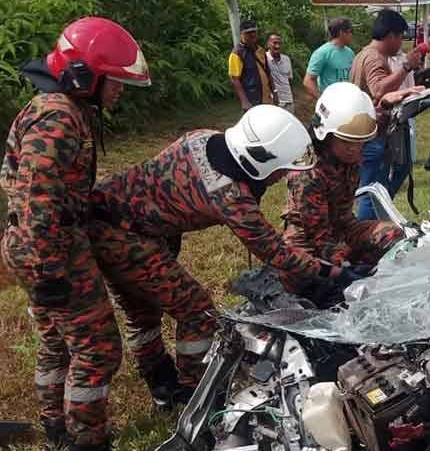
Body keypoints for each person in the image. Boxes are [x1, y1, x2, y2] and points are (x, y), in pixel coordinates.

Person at [89, 106, 355, 410]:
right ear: (260, 160)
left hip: (116, 217)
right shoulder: (230, 195)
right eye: (281, 168)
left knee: (143, 311)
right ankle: (195, 392)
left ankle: (160, 380)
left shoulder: (203, 138)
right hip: (124, 235)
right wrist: (331, 272)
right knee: (196, 311)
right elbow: (274, 250)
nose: (283, 175)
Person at [1, 17, 150, 451]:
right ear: (85, 76)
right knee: (98, 348)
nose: (119, 91)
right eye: (115, 82)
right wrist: (49, 268)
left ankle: (57, 430)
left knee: (55, 342)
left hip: (36, 244)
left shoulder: (58, 107)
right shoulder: (59, 118)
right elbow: (37, 198)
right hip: (51, 248)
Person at [283, 84, 404, 268]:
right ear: (327, 136)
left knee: (392, 235)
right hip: (307, 240)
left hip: (344, 228)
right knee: (307, 272)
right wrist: (345, 264)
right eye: (347, 142)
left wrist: (384, 105)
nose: (355, 149)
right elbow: (319, 236)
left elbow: (371, 123)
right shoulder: (307, 173)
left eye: (360, 142)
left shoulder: (347, 145)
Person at [349, 9, 426, 220]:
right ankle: (368, 230)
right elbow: (378, 90)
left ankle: (382, 215)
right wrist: (406, 66)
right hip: (373, 134)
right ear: (390, 35)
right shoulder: (374, 58)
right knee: (372, 191)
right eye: (400, 37)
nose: (401, 43)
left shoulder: (363, 54)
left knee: (382, 184)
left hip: (368, 132)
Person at [304, 17, 355, 99]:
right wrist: (322, 100)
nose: (352, 35)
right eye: (351, 31)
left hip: (348, 101)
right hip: (330, 102)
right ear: (341, 32)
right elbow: (308, 81)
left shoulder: (350, 53)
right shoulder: (322, 52)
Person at [228, 19, 272, 111]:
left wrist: (274, 92)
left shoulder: (260, 50)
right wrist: (244, 101)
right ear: (241, 34)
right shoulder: (237, 53)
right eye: (248, 32)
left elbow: (267, 72)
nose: (252, 34)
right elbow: (234, 79)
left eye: (254, 31)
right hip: (252, 101)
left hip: (267, 98)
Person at [266, 33, 294, 111]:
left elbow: (289, 79)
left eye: (279, 43)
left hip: (289, 102)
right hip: (273, 104)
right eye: (274, 43)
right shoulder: (264, 59)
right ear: (268, 44)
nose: (277, 46)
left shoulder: (286, 59)